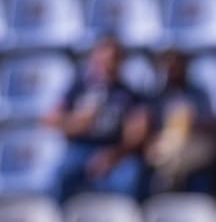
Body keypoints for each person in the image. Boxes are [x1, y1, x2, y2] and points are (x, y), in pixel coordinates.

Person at [42, 35, 151, 202]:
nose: (107, 65)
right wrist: (74, 122)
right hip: (81, 147)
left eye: (112, 60)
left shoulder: (129, 94)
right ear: (94, 59)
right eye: (102, 60)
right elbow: (49, 119)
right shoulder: (78, 88)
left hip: (114, 149)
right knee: (59, 177)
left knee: (131, 179)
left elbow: (137, 134)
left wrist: (113, 155)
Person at [143, 49, 216, 195]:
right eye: (169, 67)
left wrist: (193, 124)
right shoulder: (155, 97)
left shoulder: (198, 94)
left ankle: (170, 181)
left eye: (177, 66)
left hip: (192, 142)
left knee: (187, 156)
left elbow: (210, 123)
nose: (173, 71)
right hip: (164, 143)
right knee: (161, 153)